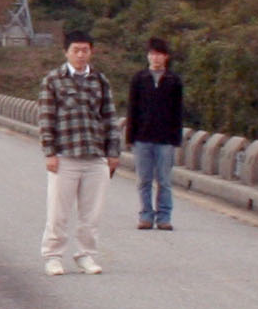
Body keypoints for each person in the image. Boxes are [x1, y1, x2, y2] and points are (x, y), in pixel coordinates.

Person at [38, 31, 122, 275]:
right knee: (58, 212)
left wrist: (113, 152)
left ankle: (86, 255)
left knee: (91, 214)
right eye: (76, 50)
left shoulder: (100, 81)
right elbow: (46, 118)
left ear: (91, 52)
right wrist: (49, 152)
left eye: (85, 50)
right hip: (65, 155)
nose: (81, 55)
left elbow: (109, 117)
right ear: (66, 52)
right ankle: (53, 256)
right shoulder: (53, 80)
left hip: (95, 155)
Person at [125, 35, 183, 231]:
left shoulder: (174, 81)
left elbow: (178, 111)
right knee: (144, 180)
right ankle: (146, 216)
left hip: (165, 139)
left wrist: (176, 138)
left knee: (164, 181)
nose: (155, 58)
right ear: (148, 56)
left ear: (166, 57)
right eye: (152, 54)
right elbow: (132, 109)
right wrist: (130, 137)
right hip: (142, 138)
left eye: (159, 54)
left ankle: (164, 217)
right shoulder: (139, 79)